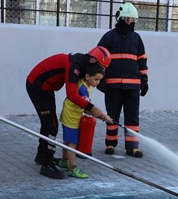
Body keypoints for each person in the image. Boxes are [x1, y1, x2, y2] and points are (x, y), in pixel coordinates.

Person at [26, 46, 113, 179]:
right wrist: (93, 108)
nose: (101, 71)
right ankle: (47, 164)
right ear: (93, 60)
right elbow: (72, 94)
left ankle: (42, 156)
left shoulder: (85, 65)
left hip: (47, 87)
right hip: (38, 85)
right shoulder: (75, 65)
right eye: (101, 67)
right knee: (51, 125)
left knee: (48, 123)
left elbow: (96, 83)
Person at [97, 2, 148, 158]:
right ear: (120, 18)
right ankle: (111, 143)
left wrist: (144, 80)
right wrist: (101, 81)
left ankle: (132, 147)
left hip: (132, 86)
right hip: (112, 86)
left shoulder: (137, 38)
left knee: (132, 117)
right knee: (112, 116)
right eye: (127, 19)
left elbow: (142, 61)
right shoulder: (108, 37)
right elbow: (98, 59)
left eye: (132, 20)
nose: (130, 22)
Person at [58, 64, 105, 179]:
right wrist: (102, 116)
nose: (97, 82)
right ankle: (73, 168)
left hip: (71, 114)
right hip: (71, 116)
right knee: (73, 143)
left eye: (99, 80)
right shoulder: (83, 88)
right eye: (96, 79)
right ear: (88, 76)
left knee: (68, 140)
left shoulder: (86, 85)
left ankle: (64, 161)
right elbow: (88, 108)